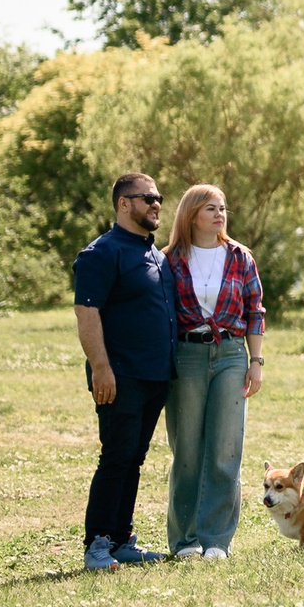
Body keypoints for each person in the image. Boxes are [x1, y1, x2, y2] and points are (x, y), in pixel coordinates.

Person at [74, 172, 178, 571]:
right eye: (147, 198)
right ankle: (97, 545)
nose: (156, 204)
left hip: (155, 376)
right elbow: (87, 313)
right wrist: (101, 368)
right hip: (120, 376)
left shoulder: (154, 253)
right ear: (123, 203)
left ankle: (121, 540)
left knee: (133, 458)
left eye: (159, 198)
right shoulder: (102, 252)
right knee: (116, 458)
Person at [162, 184, 265, 560]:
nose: (220, 214)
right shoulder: (169, 259)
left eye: (223, 207)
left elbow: (256, 310)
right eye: (211, 208)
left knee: (225, 449)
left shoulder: (240, 257)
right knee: (186, 448)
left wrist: (256, 362)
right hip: (186, 356)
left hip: (232, 355)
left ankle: (217, 540)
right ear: (191, 215)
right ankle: (185, 540)